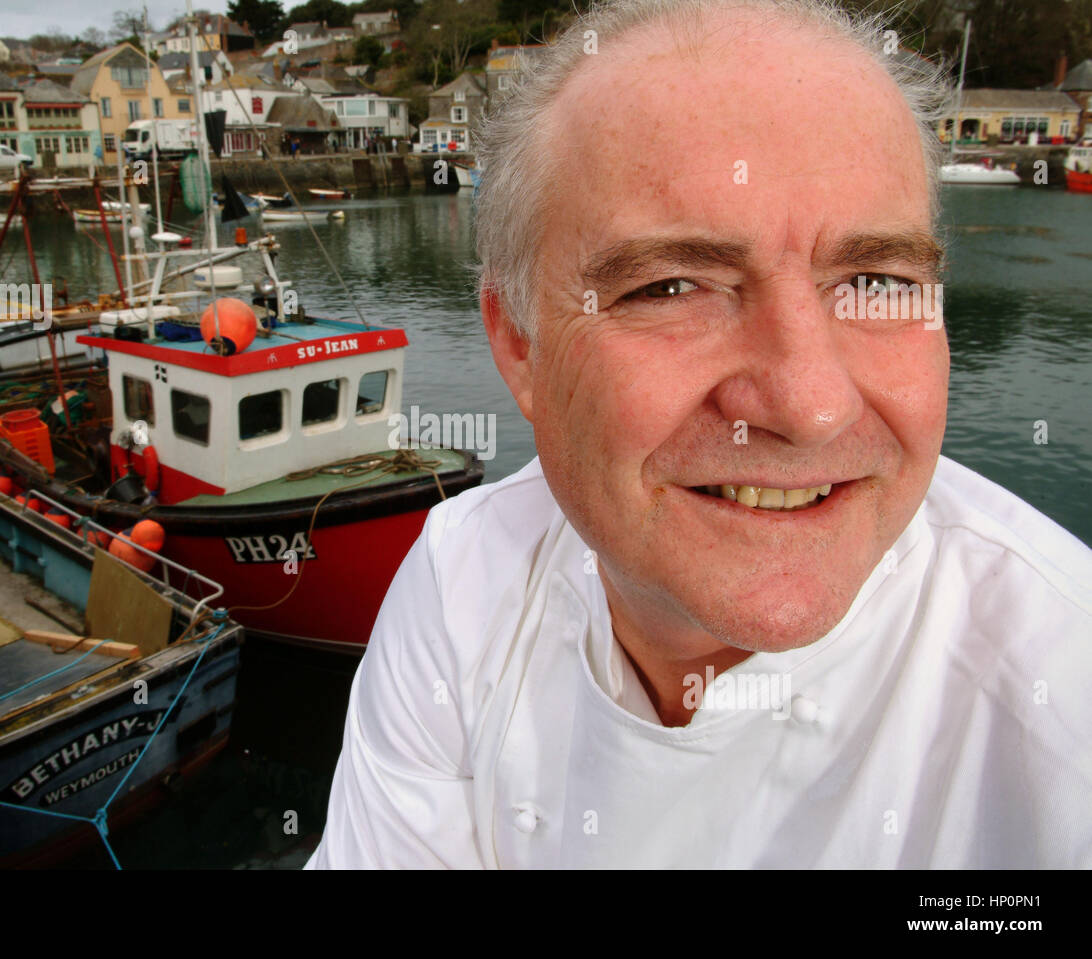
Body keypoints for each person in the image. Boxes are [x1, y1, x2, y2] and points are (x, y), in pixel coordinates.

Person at [308, 0, 1092, 869]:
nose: (810, 405)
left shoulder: (1065, 698)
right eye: (672, 288)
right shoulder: (463, 587)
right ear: (520, 343)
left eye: (875, 280)